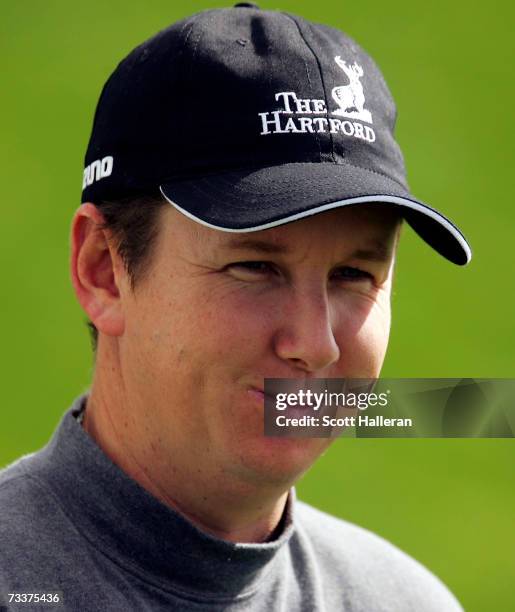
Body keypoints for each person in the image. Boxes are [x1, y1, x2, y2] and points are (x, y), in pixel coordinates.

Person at [0, 5, 471, 611]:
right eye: (254, 267)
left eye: (354, 274)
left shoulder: (408, 601)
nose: (315, 343)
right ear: (103, 270)